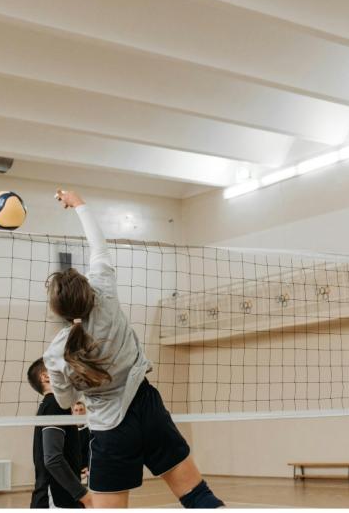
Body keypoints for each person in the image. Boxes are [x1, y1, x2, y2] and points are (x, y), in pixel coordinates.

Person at [44, 189, 224, 508]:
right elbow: (99, 247)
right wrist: (79, 205)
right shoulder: (106, 298)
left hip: (110, 431)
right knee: (198, 495)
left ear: (57, 310)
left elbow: (64, 400)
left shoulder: (55, 354)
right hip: (148, 409)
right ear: (88, 291)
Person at [27, 358, 92, 508]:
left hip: (57, 497)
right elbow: (53, 459)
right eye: (58, 368)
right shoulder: (55, 404)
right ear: (46, 376)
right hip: (55, 499)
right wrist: (83, 494)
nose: (67, 371)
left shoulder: (52, 405)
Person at [72, 401, 91, 484]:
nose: (79, 413)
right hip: (72, 473)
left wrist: (89, 469)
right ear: (72, 413)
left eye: (81, 410)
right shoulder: (68, 432)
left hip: (87, 473)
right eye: (76, 410)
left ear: (85, 412)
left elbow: (92, 452)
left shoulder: (91, 431)